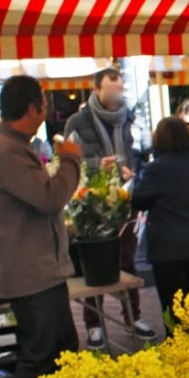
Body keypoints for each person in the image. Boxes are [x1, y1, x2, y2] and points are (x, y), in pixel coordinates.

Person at [0, 76, 82, 378]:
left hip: (39, 271)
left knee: (62, 349)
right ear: (33, 108)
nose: (45, 112)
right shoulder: (7, 152)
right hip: (29, 274)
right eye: (44, 105)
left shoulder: (15, 148)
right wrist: (71, 160)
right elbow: (49, 198)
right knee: (40, 354)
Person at [64, 68, 156, 347]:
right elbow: (67, 160)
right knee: (93, 267)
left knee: (127, 260)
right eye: (112, 90)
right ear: (97, 91)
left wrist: (133, 170)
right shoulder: (77, 122)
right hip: (90, 204)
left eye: (121, 90)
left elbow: (141, 151)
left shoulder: (131, 118)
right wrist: (96, 166)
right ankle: (94, 325)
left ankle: (133, 318)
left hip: (124, 200)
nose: (118, 96)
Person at [132, 117, 189, 318]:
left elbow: (139, 202)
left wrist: (135, 181)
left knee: (174, 313)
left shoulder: (155, 169)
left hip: (169, 249)